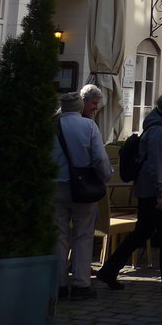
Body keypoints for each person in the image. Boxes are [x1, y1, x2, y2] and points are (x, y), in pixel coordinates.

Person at [97, 89, 162, 292]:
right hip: (156, 193)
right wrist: (161, 194)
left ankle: (109, 269)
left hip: (153, 191)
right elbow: (155, 165)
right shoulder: (158, 130)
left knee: (141, 233)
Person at [53, 92, 113, 301]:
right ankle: (81, 284)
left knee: (58, 236)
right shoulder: (88, 127)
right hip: (83, 188)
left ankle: (58, 284)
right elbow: (100, 160)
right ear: (80, 107)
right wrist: (103, 179)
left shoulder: (51, 125)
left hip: (55, 187)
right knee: (83, 235)